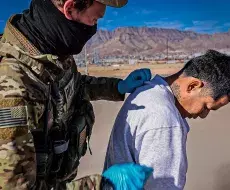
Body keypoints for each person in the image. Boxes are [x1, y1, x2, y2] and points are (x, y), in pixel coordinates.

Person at [0, 0, 153, 189]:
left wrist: (118, 86)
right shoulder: (12, 87)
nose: (94, 28)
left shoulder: (50, 50)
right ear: (70, 8)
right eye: (94, 19)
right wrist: (102, 186)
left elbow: (74, 85)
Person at [103, 49, 230, 189]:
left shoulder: (147, 91)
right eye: (206, 106)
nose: (203, 114)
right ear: (192, 86)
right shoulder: (165, 119)